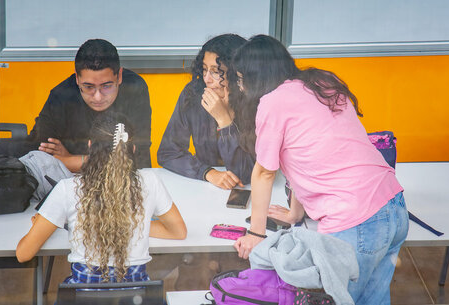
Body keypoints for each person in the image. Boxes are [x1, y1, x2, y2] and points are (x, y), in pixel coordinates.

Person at [232, 35, 409, 305]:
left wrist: (256, 236)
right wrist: (294, 213)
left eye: (241, 78)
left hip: (356, 221)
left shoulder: (273, 102)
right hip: (394, 207)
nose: (240, 86)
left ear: (256, 77)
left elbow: (264, 173)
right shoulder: (321, 84)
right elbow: (313, 156)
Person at [16, 113, 187, 283]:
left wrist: (55, 223)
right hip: (137, 298)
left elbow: (24, 254)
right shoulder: (150, 182)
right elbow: (178, 232)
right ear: (133, 149)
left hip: (83, 298)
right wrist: (132, 223)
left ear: (90, 147)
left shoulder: (67, 189)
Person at [28, 38, 152, 172]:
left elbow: (138, 158)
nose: (97, 97)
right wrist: (113, 159)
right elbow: (37, 159)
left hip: (124, 183)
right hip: (73, 184)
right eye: (88, 87)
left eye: (106, 86)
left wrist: (70, 160)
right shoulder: (61, 97)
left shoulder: (134, 89)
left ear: (119, 76)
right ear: (77, 78)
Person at [157, 34, 255, 189]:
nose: (207, 79)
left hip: (248, 190)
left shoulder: (255, 100)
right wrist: (208, 173)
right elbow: (168, 152)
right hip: (205, 187)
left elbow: (245, 174)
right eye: (204, 70)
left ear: (237, 73)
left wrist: (224, 120)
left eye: (216, 71)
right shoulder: (194, 94)